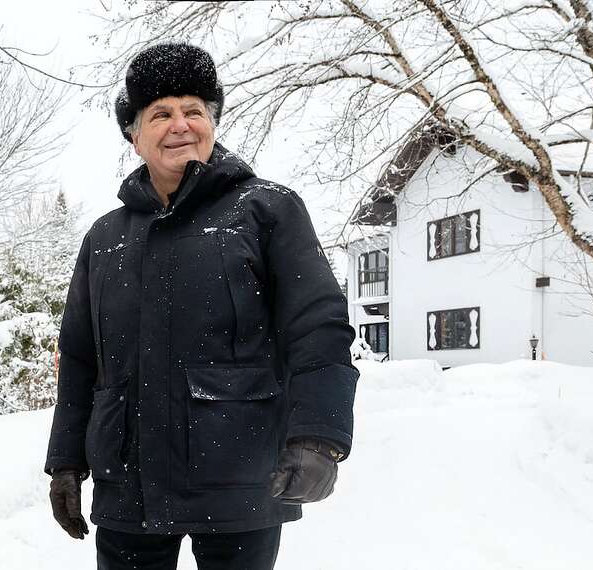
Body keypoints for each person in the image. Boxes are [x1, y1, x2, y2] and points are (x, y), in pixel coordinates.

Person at [44, 42, 359, 570]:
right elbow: (79, 357)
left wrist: (320, 436)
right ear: (134, 134)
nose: (181, 125)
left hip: (239, 474)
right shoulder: (105, 238)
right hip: (128, 484)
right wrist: (66, 462)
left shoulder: (266, 210)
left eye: (195, 111)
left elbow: (318, 327)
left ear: (212, 123)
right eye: (161, 113)